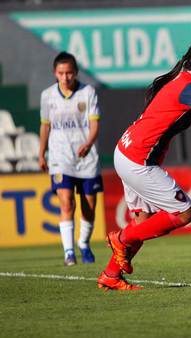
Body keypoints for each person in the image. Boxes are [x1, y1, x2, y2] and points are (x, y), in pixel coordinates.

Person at [97, 39, 191, 291]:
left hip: (125, 150)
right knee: (185, 212)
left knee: (143, 222)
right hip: (139, 158)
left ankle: (111, 274)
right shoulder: (189, 84)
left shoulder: (182, 82)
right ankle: (120, 239)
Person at [39, 52, 103, 266]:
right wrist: (41, 153)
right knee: (67, 203)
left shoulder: (87, 92)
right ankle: (69, 253)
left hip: (86, 157)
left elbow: (94, 122)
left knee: (89, 205)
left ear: (75, 72)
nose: (65, 77)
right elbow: (45, 126)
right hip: (60, 157)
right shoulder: (48, 95)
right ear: (55, 73)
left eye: (69, 73)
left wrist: (89, 142)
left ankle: (83, 243)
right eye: (60, 73)